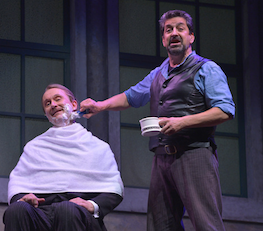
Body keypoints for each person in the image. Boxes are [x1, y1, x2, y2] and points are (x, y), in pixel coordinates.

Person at [80, 10, 235, 231]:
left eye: (180, 28)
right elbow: (132, 96)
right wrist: (100, 105)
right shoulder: (159, 73)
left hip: (195, 154)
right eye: (168, 29)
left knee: (206, 224)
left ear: (191, 36)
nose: (174, 33)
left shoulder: (207, 69)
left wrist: (182, 122)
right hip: (162, 158)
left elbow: (225, 110)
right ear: (163, 39)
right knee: (160, 226)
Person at [3, 83, 124, 231]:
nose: (53, 105)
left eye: (57, 99)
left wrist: (92, 205)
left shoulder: (97, 146)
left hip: (79, 215)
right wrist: (22, 199)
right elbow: (18, 185)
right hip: (41, 213)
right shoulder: (34, 147)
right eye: (47, 104)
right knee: (16, 210)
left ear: (74, 104)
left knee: (67, 209)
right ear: (46, 115)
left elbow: (114, 188)